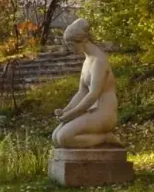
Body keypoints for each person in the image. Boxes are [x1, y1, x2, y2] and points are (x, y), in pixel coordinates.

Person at [50, 19, 121, 148]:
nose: (69, 48)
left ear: (82, 40)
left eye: (71, 44)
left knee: (64, 138)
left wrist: (72, 114)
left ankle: (105, 138)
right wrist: (66, 110)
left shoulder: (99, 61)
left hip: (104, 113)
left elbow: (93, 94)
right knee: (55, 137)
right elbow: (82, 92)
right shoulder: (87, 60)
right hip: (91, 111)